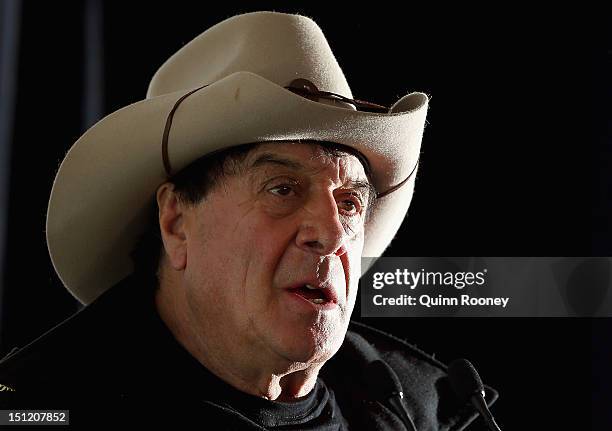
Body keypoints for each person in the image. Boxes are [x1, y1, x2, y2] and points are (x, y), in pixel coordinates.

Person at [0, 11, 497, 429]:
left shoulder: (418, 406)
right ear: (175, 222)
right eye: (282, 189)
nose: (330, 234)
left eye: (349, 204)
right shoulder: (40, 406)